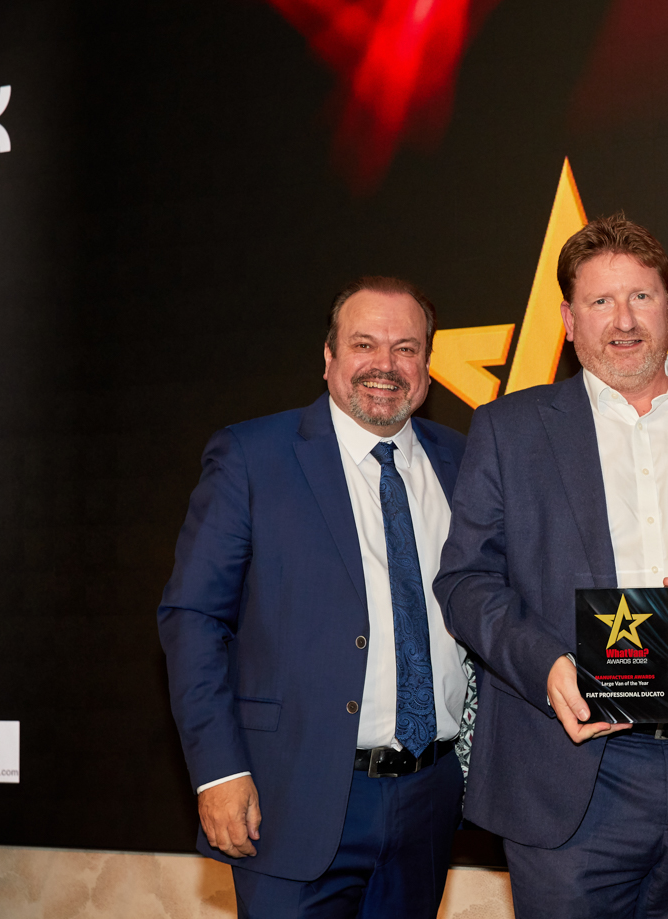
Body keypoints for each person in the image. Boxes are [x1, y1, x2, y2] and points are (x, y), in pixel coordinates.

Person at [436, 216, 668, 919]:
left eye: (640, 297)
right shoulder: (509, 429)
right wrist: (545, 665)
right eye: (600, 301)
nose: (623, 321)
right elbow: (465, 581)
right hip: (571, 777)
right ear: (567, 320)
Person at [158, 277, 471, 918]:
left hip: (430, 799)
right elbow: (193, 619)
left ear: (427, 367)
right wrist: (218, 771)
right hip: (290, 797)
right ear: (328, 357)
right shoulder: (252, 456)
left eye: (406, 348)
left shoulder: (463, 462)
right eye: (364, 344)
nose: (385, 365)